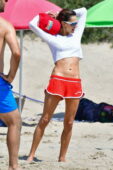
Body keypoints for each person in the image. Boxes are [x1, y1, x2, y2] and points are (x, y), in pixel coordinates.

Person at [27, 7, 87, 162]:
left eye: (76, 23)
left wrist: (63, 12)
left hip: (74, 82)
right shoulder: (52, 38)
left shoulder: (76, 34)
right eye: (72, 24)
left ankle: (62, 158)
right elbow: (32, 24)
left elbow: (84, 11)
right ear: (63, 23)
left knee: (69, 122)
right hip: (58, 79)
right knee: (45, 119)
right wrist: (46, 15)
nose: (75, 26)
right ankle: (31, 155)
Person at [0, 0, 22, 169]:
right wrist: (11, 75)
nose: (7, 1)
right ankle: (13, 166)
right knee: (14, 122)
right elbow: (16, 52)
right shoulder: (4, 25)